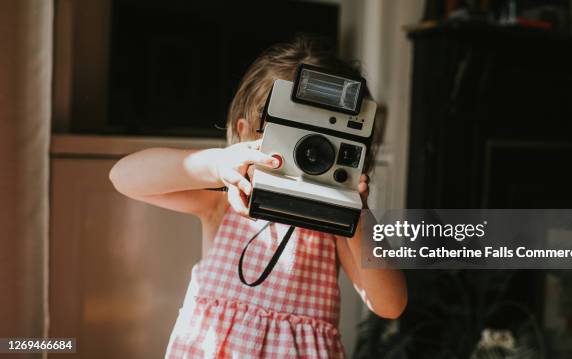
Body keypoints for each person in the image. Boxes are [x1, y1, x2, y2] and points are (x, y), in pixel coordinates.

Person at [109, 35, 407, 359]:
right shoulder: (226, 199)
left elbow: (390, 305)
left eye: (324, 141)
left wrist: (357, 214)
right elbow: (124, 177)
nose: (311, 151)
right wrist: (215, 164)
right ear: (250, 132)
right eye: (298, 135)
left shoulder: (334, 225)